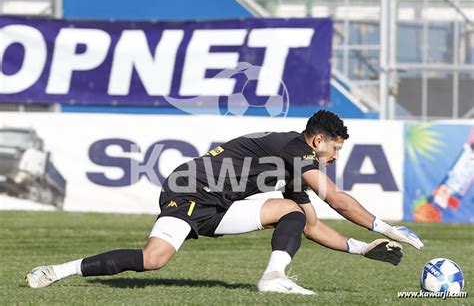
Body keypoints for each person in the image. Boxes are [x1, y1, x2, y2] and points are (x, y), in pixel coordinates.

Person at [26, 110, 423, 295]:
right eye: (335, 149)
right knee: (154, 259)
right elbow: (335, 197)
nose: (336, 157)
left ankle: (273, 279)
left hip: (219, 204)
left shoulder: (293, 162)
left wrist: (362, 248)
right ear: (318, 141)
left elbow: (312, 223)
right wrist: (384, 227)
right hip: (190, 190)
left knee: (292, 213)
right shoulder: (294, 149)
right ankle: (58, 271)